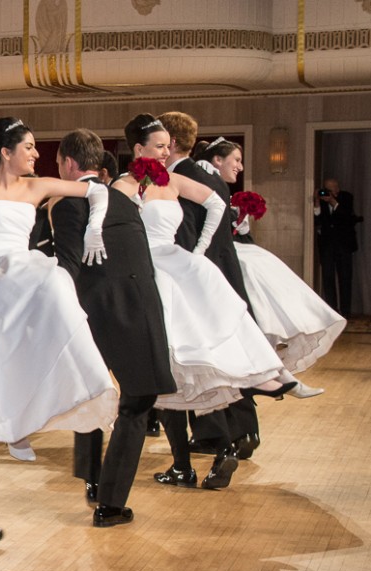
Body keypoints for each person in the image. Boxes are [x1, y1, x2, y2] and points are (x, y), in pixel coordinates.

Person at [112, 114, 295, 490]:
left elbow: (215, 207)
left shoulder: (172, 179)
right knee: (175, 370)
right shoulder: (127, 185)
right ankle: (209, 451)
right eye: (159, 146)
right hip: (150, 275)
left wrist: (198, 248)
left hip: (174, 272)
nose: (166, 151)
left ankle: (190, 460)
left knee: (179, 366)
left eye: (168, 145)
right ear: (139, 149)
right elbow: (106, 222)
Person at [0, 117, 120, 459]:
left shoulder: (37, 186)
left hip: (19, 270)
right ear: (5, 152)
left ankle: (25, 422)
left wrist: (94, 231)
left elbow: (98, 190)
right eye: (27, 147)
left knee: (55, 281)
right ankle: (4, 427)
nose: (34, 153)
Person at [50, 129, 175, 527]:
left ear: (69, 164)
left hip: (94, 311)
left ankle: (92, 479)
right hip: (137, 309)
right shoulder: (120, 201)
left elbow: (68, 265)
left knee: (92, 389)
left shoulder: (68, 203)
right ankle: (110, 502)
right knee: (137, 402)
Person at [198, 139, 344, 401]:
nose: (241, 167)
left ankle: (276, 375)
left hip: (229, 253)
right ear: (217, 161)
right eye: (237, 160)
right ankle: (274, 377)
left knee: (261, 294)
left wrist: (238, 221)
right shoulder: (204, 183)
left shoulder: (216, 185)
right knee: (254, 284)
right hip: (215, 261)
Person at [158, 112, 262, 466]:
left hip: (199, 276)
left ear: (170, 141)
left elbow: (186, 234)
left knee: (201, 355)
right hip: (222, 271)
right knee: (220, 352)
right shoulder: (205, 173)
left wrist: (190, 263)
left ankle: (219, 435)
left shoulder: (181, 177)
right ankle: (241, 430)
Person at [313, 177, 360, 313]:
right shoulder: (321, 201)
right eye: (325, 189)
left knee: (345, 278)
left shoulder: (346, 197)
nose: (327, 192)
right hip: (327, 245)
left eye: (330, 189)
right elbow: (317, 219)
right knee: (328, 278)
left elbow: (347, 216)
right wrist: (317, 201)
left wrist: (333, 202)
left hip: (344, 245)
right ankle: (332, 310)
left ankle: (345, 311)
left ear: (336, 189)